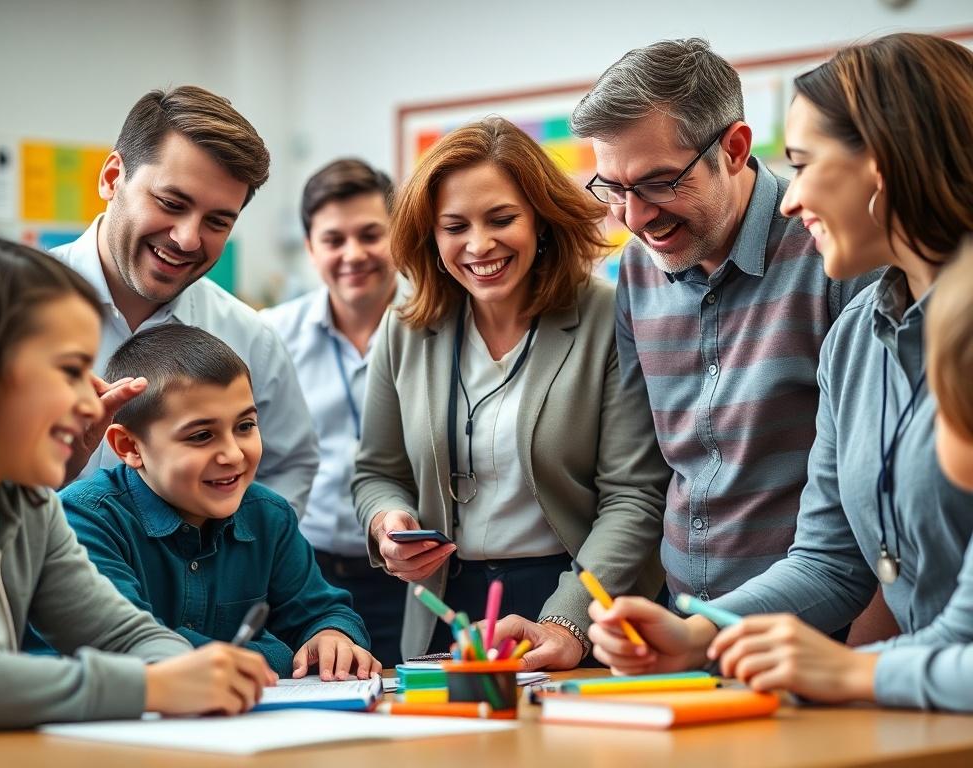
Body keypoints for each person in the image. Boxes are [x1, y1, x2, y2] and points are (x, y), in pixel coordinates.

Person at [586, 32, 973, 712]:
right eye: (616, 189)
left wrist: (854, 673)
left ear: (885, 167)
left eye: (802, 162)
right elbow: (831, 559)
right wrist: (698, 633)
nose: (790, 199)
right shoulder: (860, 338)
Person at [569, 39, 876, 608]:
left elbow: (880, 497)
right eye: (614, 188)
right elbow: (643, 475)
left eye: (661, 182)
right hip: (682, 628)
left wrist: (861, 639)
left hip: (820, 630)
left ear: (734, 148)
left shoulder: (836, 253)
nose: (635, 218)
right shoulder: (638, 266)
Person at [353, 117, 669, 668]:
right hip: (446, 608)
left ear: (541, 222)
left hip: (579, 595)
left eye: (502, 219)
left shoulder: (605, 316)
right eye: (455, 226)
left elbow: (634, 495)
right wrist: (388, 522)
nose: (479, 245)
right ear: (431, 234)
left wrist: (568, 617)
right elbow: (376, 473)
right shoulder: (404, 329)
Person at [0, 233, 272, 731]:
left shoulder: (30, 505)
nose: (89, 405)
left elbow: (122, 633)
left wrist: (188, 672)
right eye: (70, 371)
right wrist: (155, 686)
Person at [52, 85, 318, 515]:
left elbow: (290, 466)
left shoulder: (247, 336)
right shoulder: (4, 311)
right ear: (112, 178)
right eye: (171, 203)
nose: (187, 238)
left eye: (217, 221)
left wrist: (235, 560)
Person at [60, 325, 378, 681]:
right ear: (130, 448)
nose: (232, 454)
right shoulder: (84, 519)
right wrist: (278, 652)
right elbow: (130, 647)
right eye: (201, 436)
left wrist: (332, 635)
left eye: (245, 426)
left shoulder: (268, 515)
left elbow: (321, 609)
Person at [261, 159, 407, 665]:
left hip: (414, 574)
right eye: (333, 240)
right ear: (309, 248)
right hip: (307, 579)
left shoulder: (440, 324)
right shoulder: (271, 336)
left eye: (371, 234)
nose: (354, 255)